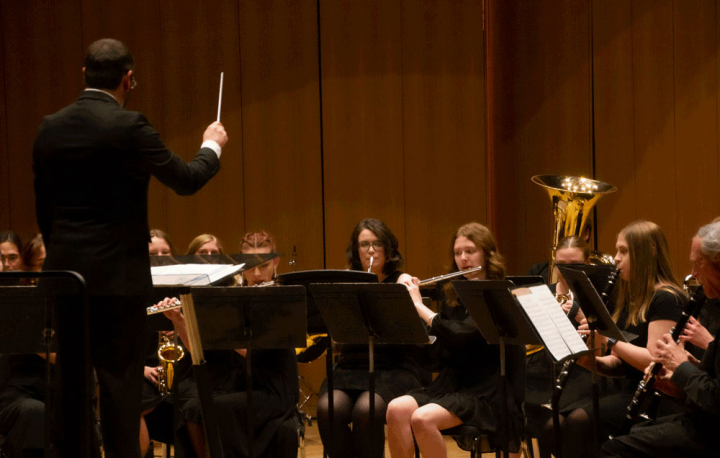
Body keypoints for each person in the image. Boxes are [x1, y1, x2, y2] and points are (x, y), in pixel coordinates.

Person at [32, 38, 228, 458]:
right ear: (129, 79)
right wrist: (212, 144)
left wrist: (63, 261)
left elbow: (44, 211)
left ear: (83, 74)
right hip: (119, 283)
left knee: (70, 392)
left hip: (66, 281)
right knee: (121, 392)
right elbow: (187, 179)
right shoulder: (129, 126)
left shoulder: (49, 127)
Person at [540, 221, 685, 457]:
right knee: (551, 427)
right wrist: (589, 361)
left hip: (661, 398)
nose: (616, 258)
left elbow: (655, 363)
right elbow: (619, 365)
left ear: (646, 254)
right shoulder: (631, 299)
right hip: (631, 392)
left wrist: (609, 339)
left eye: (623, 251)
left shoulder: (666, 298)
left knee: (578, 423)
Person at [386, 222, 525, 458]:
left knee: (422, 418)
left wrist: (419, 306)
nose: (463, 258)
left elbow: (461, 335)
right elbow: (436, 359)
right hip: (452, 385)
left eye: (470, 251)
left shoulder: (496, 296)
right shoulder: (453, 296)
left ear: (487, 254)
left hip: (486, 391)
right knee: (395, 409)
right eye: (458, 253)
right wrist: (407, 315)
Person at [601, 221, 720, 457]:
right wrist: (685, 375)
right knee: (631, 434)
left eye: (698, 264)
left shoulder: (666, 298)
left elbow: (715, 399)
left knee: (615, 449)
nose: (693, 274)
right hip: (700, 418)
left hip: (710, 430)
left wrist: (682, 367)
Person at [316, 218, 425, 458]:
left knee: (367, 410)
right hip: (350, 366)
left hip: (394, 368)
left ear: (388, 248)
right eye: (364, 244)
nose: (371, 250)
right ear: (356, 250)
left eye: (377, 244)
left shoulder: (401, 282)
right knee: (328, 409)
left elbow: (413, 337)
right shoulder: (347, 281)